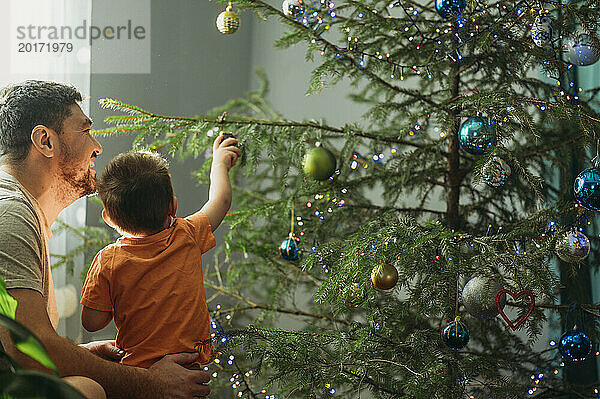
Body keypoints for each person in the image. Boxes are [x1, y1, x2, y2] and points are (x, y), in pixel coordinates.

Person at [0, 80, 212, 398]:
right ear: (45, 140)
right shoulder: (11, 214)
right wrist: (150, 384)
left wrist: (83, 355)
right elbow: (29, 348)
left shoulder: (20, 210)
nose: (97, 147)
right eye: (85, 131)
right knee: (88, 389)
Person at [80, 138, 239, 368]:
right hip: (190, 366)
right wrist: (219, 163)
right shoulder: (188, 234)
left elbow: (92, 321)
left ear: (108, 218)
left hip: (138, 374)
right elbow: (221, 200)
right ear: (172, 206)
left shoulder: (108, 261)